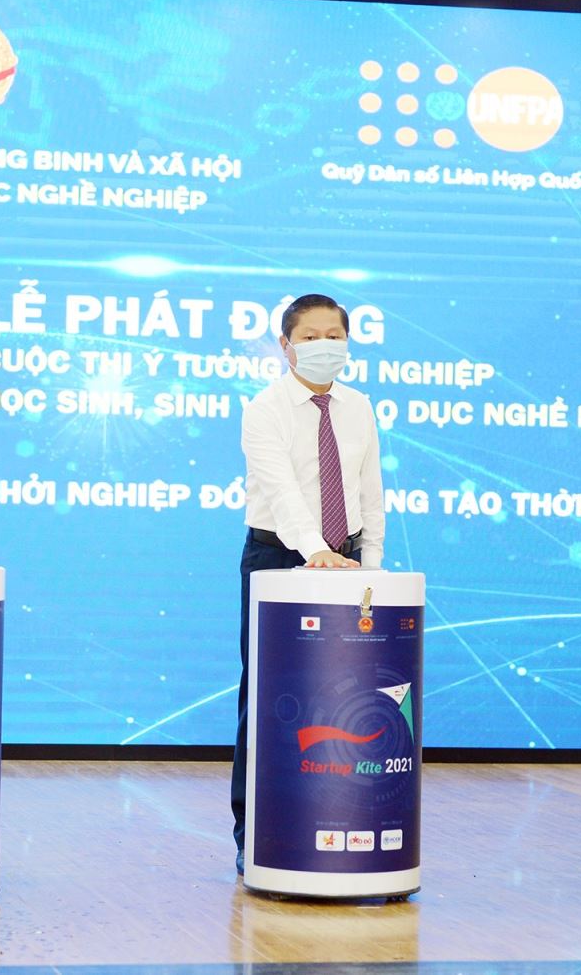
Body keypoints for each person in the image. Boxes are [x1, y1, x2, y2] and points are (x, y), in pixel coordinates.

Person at [231, 293, 386, 872]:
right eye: (311, 337)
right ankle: (254, 833)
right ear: (286, 345)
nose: (325, 346)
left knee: (350, 695)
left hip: (348, 560)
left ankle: (339, 820)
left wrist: (371, 565)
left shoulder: (359, 406)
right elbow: (282, 492)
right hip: (278, 556)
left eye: (334, 336)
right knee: (269, 695)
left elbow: (370, 491)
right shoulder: (264, 408)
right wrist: (315, 551)